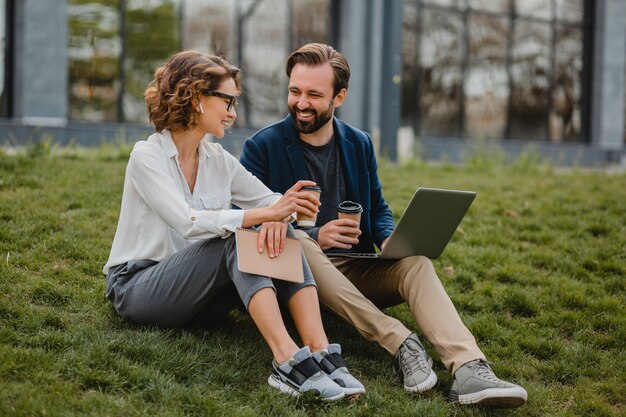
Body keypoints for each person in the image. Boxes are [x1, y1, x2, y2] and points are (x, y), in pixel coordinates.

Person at [240, 43, 527, 408]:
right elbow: (246, 225)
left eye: (314, 94)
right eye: (295, 91)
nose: (301, 102)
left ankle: (469, 368)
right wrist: (316, 234)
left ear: (339, 96)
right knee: (302, 243)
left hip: (354, 266)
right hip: (299, 276)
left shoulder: (359, 144)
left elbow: (377, 210)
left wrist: (391, 237)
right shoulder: (261, 147)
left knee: (417, 264)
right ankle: (401, 342)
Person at [103, 50, 365, 401]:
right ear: (196, 98)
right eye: (227, 101)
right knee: (239, 237)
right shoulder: (146, 156)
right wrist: (266, 215)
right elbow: (187, 223)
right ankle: (287, 361)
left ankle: (320, 350)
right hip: (139, 286)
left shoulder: (217, 160)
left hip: (195, 294)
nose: (232, 112)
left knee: (276, 230)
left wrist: (279, 214)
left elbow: (269, 201)